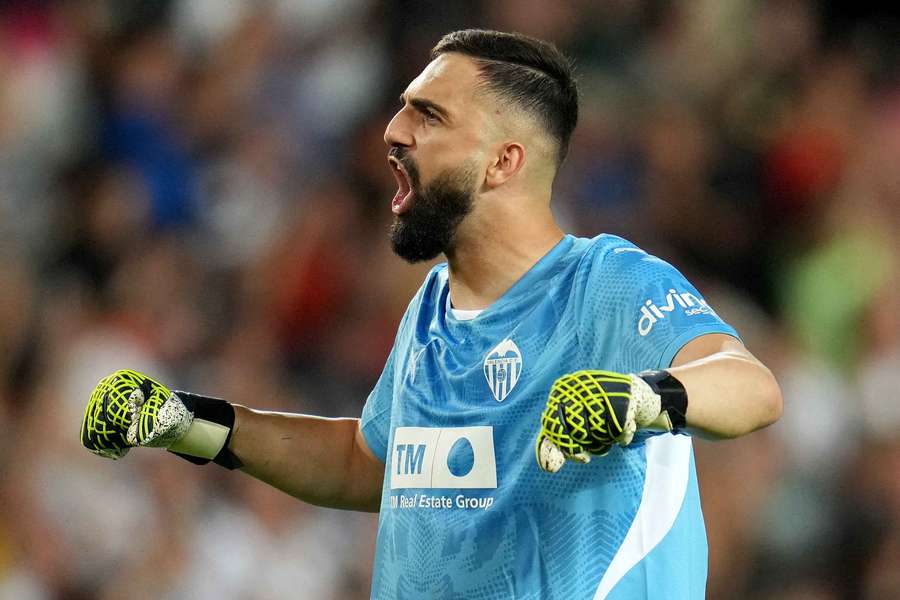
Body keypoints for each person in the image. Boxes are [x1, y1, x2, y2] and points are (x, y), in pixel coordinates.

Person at [80, 29, 782, 599]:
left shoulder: (602, 282)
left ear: (503, 163)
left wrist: (644, 398)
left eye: (430, 115)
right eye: (405, 106)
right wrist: (188, 424)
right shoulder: (432, 311)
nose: (393, 131)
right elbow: (368, 465)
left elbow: (751, 388)